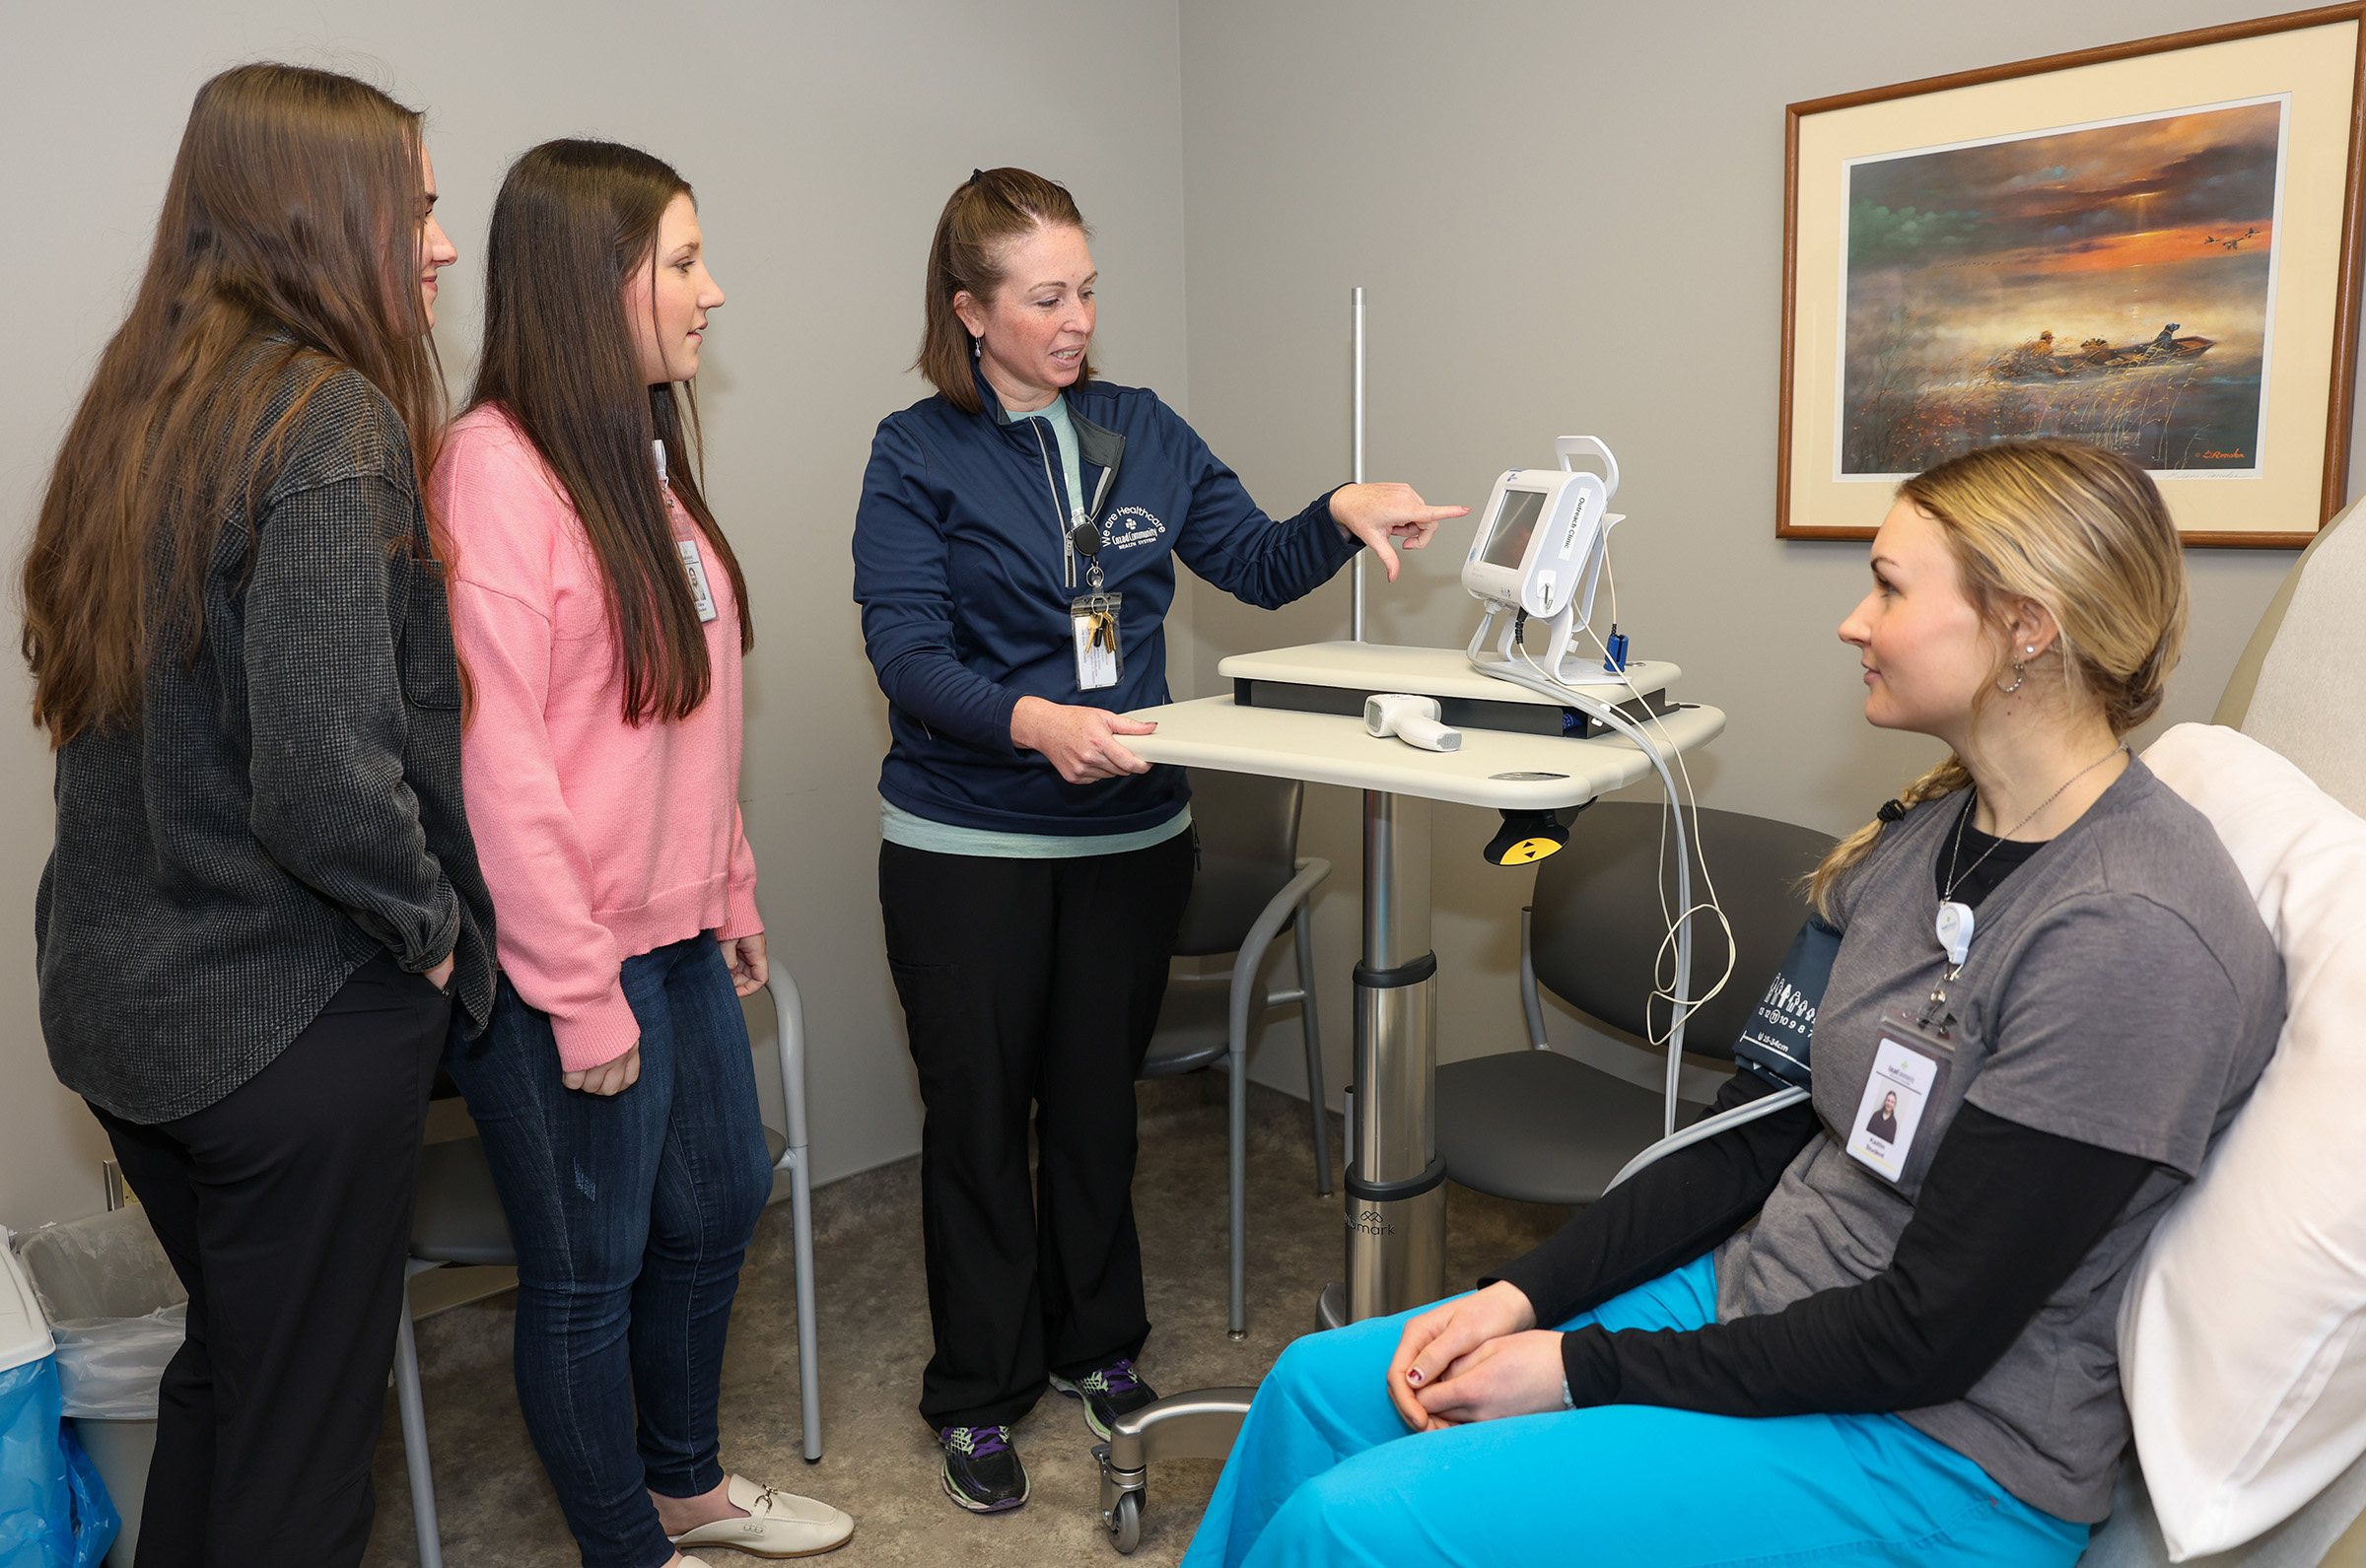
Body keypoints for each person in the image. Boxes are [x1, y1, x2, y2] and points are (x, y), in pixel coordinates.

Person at [1183, 439, 2285, 1568]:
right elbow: (1743, 1138)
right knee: (1322, 1387)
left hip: (1938, 1452)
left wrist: (1575, 1368)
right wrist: (1526, 1292)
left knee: (1351, 1529)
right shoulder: (1922, 840)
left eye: (1891, 589)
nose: (1854, 622)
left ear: (2026, 627)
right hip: (1761, 1302)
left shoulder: (2130, 938)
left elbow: (1928, 1334)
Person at [854, 167, 1466, 1516]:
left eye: (1087, 290)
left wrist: (1338, 517)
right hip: (971, 848)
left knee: (1092, 1107)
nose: (1077, 319)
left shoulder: (1139, 427)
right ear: (970, 310)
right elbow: (905, 652)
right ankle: (976, 1388)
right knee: (975, 1121)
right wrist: (1029, 720)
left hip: (1132, 835)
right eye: (1045, 296)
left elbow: (1246, 558)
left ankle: (1097, 1343)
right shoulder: (916, 452)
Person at [22, 64, 493, 1566]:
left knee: (227, 1377)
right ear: (324, 217)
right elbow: (326, 779)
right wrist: (429, 933)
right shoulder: (332, 422)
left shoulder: (136, 407)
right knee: (303, 1455)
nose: (439, 243)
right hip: (281, 1025)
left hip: (124, 1022)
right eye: (417, 208)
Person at [435, 140, 852, 1567]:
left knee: (720, 1195)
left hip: (671, 924)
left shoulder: (640, 456)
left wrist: (723, 882)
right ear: (589, 283)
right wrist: (574, 984)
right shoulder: (491, 475)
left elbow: (686, 709)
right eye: (682, 261)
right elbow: (504, 771)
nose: (711, 292)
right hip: (574, 953)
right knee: (587, 1269)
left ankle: (686, 1482)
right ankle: (630, 1542)